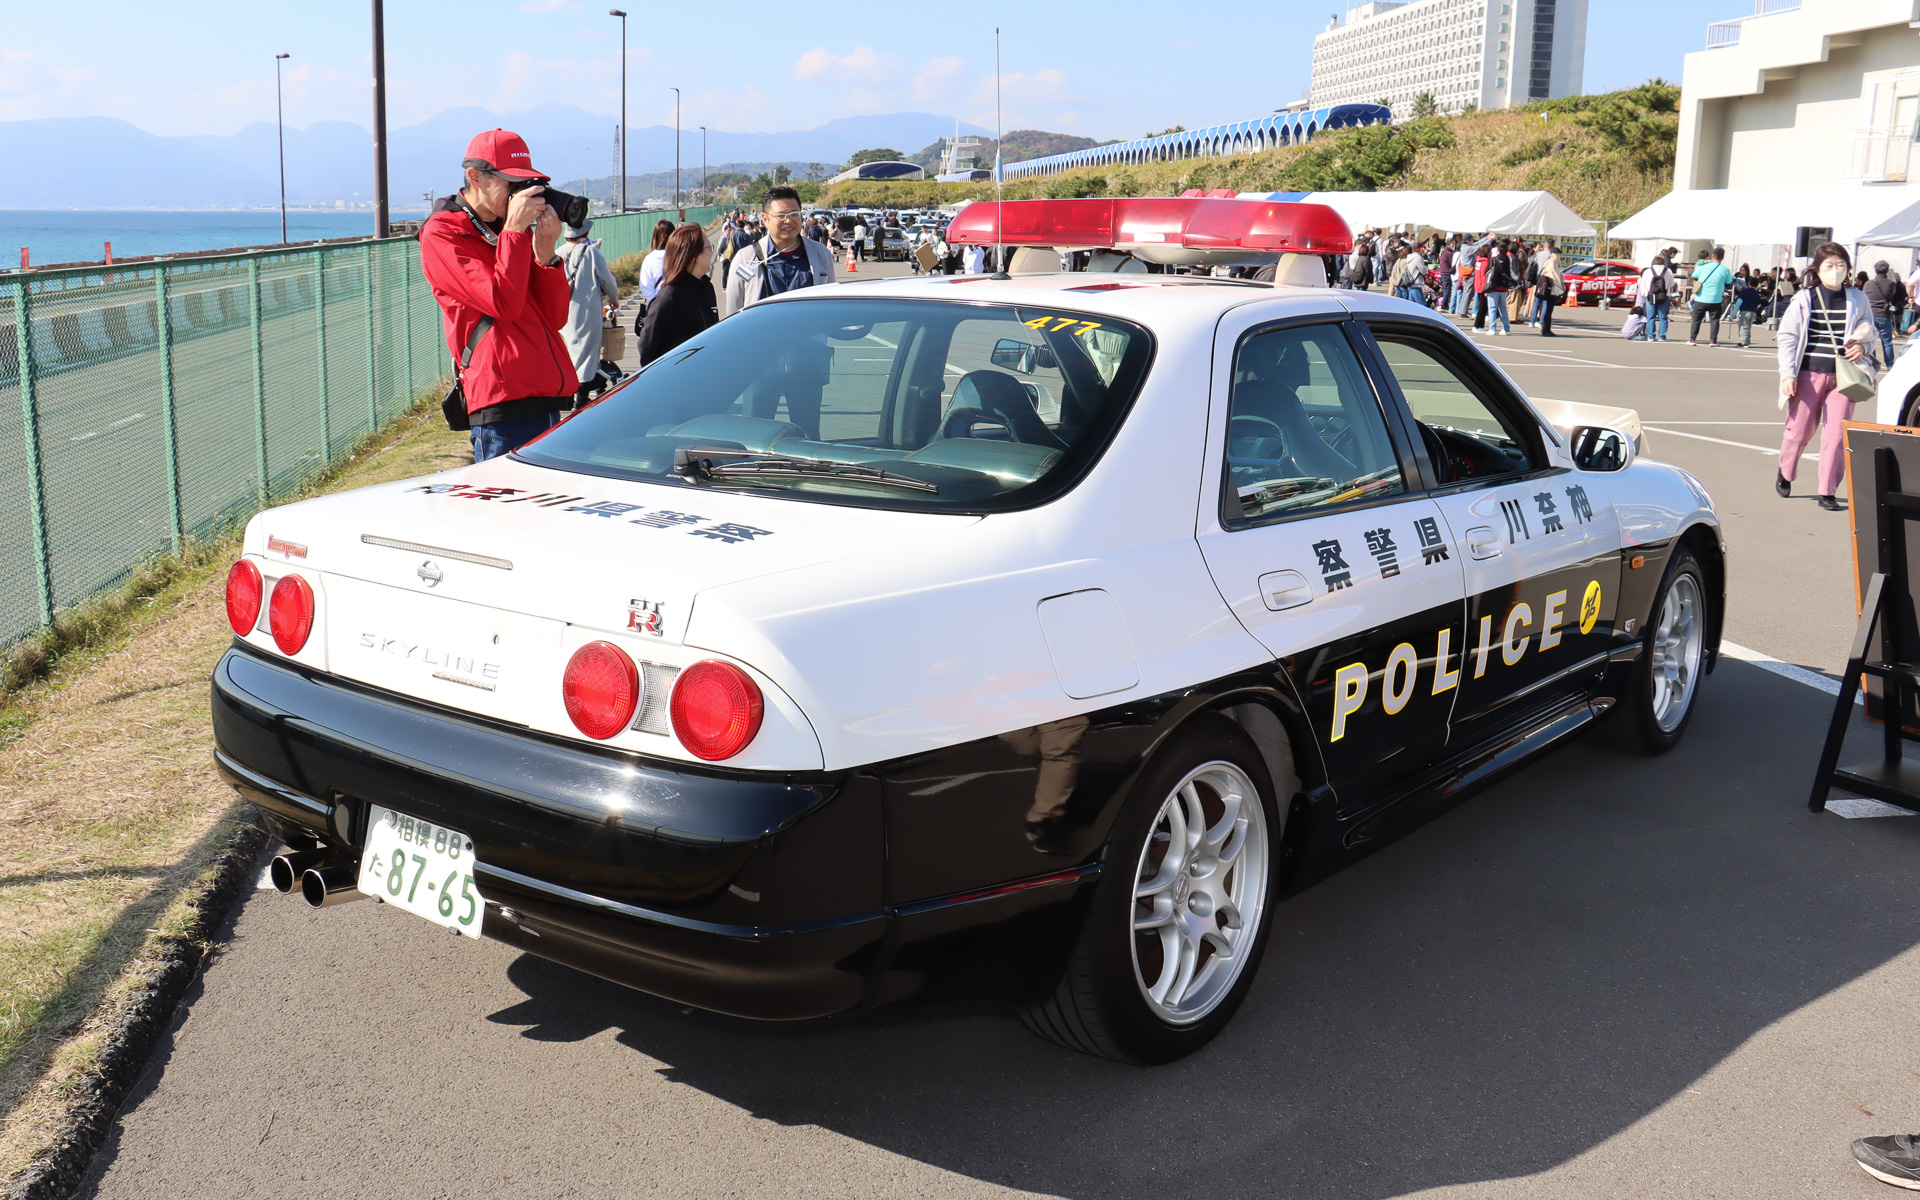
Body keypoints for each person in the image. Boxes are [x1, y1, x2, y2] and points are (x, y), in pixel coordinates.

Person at [419, 128, 575, 462]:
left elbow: (556, 317)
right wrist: (516, 234)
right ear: (475, 176)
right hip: (501, 402)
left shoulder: (506, 230)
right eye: (511, 184)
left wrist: (546, 254)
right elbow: (502, 304)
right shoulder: (443, 234)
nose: (519, 195)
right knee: (505, 511)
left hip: (543, 394)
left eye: (525, 185)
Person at [1776, 241, 1880, 511]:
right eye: (1830, 266)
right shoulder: (1804, 298)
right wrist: (1788, 375)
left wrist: (1861, 346)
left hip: (1845, 377)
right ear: (1818, 270)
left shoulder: (1857, 297)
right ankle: (1786, 472)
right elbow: (1787, 336)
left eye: (1841, 265)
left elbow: (1870, 331)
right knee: (1798, 431)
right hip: (1808, 375)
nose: (1836, 270)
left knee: (1836, 436)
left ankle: (1827, 491)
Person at [557, 216, 619, 408]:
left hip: (564, 312)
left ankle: (567, 396)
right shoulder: (592, 253)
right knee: (587, 354)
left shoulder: (557, 253)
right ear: (586, 232)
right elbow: (607, 280)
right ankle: (581, 398)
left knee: (568, 352)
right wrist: (613, 298)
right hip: (587, 311)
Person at [638, 223, 718, 365]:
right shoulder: (670, 296)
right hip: (679, 381)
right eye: (708, 247)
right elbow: (647, 346)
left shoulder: (707, 288)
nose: (712, 252)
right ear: (694, 256)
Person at [1863, 260, 1907, 366]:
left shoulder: (1868, 284)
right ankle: (1889, 364)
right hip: (1884, 314)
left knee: (1871, 340)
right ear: (1887, 270)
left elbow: (1864, 296)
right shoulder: (1891, 284)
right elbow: (1892, 294)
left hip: (1871, 314)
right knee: (1887, 341)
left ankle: (1871, 362)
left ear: (1875, 270)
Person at [1687, 246, 1733, 346]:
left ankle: (1692, 339)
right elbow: (1729, 282)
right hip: (1716, 299)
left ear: (1712, 256)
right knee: (1715, 320)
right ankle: (1713, 340)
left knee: (1696, 319)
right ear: (1723, 257)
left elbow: (1693, 276)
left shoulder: (1703, 267)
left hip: (1701, 298)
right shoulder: (1725, 270)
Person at [636, 219, 674, 305]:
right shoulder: (680, 257)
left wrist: (656, 300)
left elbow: (645, 285)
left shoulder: (649, 259)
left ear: (654, 237)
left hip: (657, 306)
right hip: (678, 305)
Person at [1640, 253, 1676, 342]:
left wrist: (1645, 294)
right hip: (1664, 296)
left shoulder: (1648, 271)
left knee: (1650, 316)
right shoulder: (1668, 271)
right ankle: (1662, 336)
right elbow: (1672, 284)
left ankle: (1651, 336)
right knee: (1663, 317)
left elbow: (1643, 284)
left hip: (1651, 296)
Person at [1534, 242, 1564, 337]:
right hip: (1551, 289)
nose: (1557, 256)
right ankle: (1546, 330)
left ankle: (1545, 329)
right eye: (1556, 254)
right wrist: (1561, 287)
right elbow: (1555, 278)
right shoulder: (1551, 263)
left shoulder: (1552, 263)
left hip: (1548, 288)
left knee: (1547, 309)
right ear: (1552, 254)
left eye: (1558, 254)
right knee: (1548, 310)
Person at [1483, 242, 1513, 335]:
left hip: (1493, 287)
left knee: (1492, 308)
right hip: (1504, 287)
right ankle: (1506, 329)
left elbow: (1487, 272)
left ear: (1498, 250)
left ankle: (1492, 329)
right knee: (1503, 309)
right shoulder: (1507, 259)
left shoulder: (1493, 259)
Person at [1731, 273, 1763, 348]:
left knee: (1743, 326)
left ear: (1749, 283)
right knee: (1749, 326)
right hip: (1752, 312)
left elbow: (1739, 302)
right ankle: (1747, 340)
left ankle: (1744, 341)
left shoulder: (1745, 291)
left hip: (1745, 311)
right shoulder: (1756, 293)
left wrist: (1733, 313)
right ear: (1757, 285)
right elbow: (1759, 304)